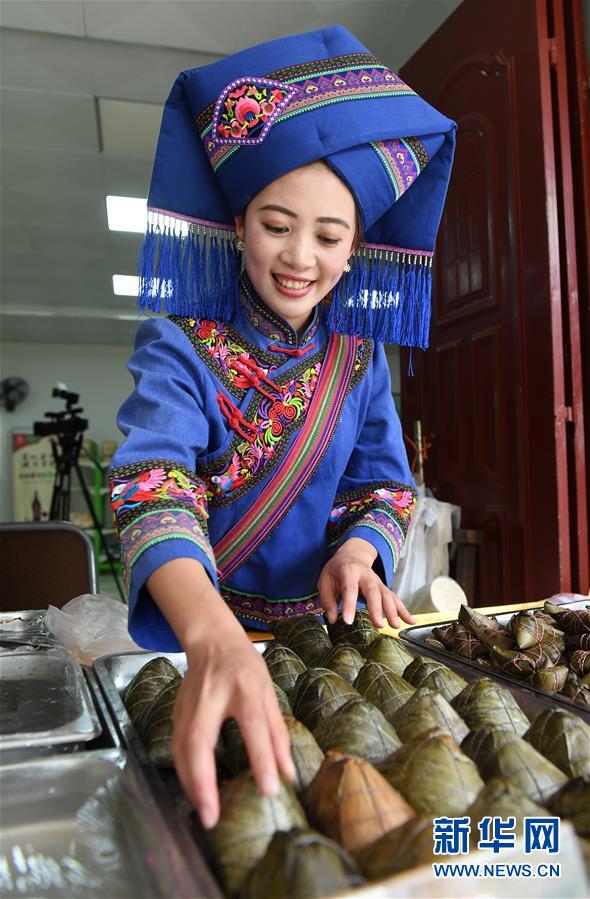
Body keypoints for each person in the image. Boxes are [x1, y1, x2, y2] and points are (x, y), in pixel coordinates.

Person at [109, 24, 456, 829]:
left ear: (355, 247)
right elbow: (154, 483)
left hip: (327, 654)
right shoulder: (180, 339)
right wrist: (210, 632)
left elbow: (384, 486)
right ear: (238, 224)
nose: (300, 256)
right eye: (275, 225)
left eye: (328, 236)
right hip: (205, 644)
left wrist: (359, 552)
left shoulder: (359, 355)